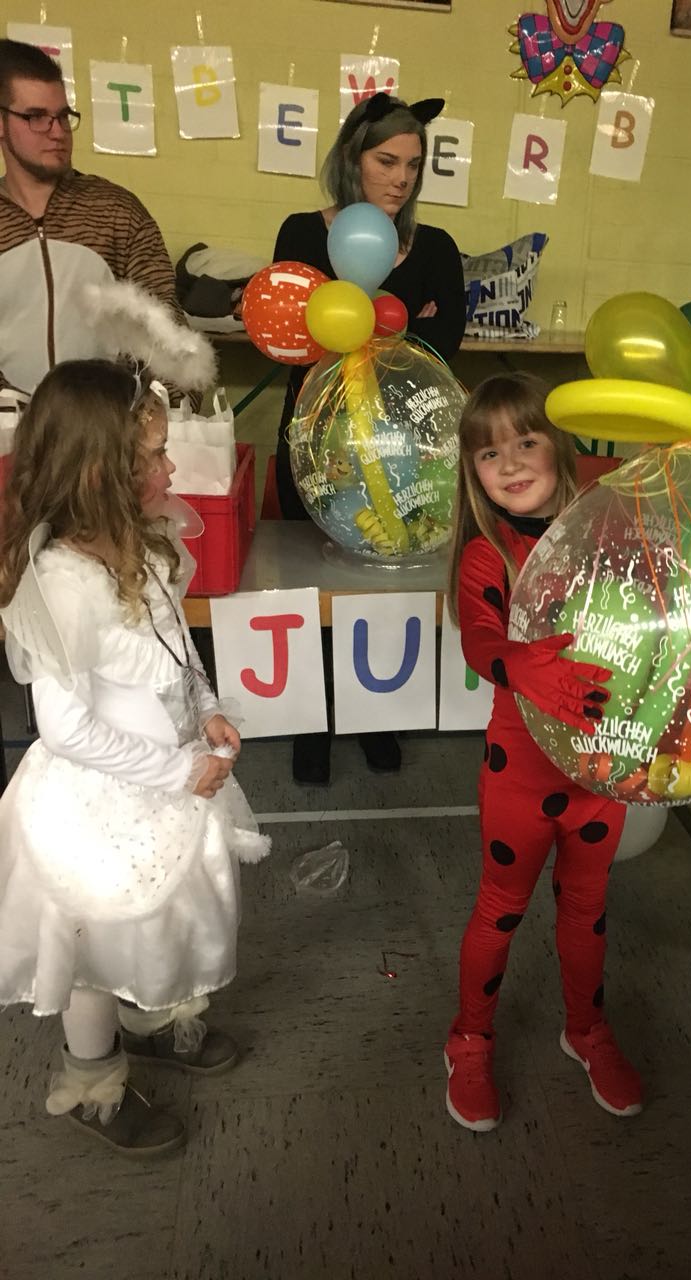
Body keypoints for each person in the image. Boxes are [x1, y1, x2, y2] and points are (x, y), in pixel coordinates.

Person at [0, 360, 269, 1155]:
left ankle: (149, 1021)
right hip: (100, 802)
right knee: (94, 948)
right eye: (154, 456)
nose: (172, 469)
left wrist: (208, 708)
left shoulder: (143, 544)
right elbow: (67, 729)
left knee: (157, 921)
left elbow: (177, 645)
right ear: (100, 474)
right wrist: (180, 771)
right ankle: (94, 1082)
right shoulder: (62, 584)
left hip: (168, 780)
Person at [442, 371, 644, 1132]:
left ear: (558, 446)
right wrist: (515, 662)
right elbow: (479, 636)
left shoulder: (602, 531)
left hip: (599, 765)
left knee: (588, 909)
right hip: (521, 772)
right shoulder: (486, 553)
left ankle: (586, 1029)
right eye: (490, 454)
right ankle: (468, 1039)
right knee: (501, 909)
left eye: (526, 442)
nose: (512, 464)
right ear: (474, 471)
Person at [272, 91, 466, 784]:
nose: (401, 178)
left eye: (414, 165)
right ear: (353, 160)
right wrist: (404, 318)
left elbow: (444, 344)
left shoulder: (435, 247)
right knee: (312, 584)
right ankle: (313, 724)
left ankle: (371, 715)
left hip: (407, 455)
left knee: (385, 585)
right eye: (387, 161)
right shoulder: (302, 233)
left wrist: (379, 328)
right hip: (318, 445)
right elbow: (295, 336)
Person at [0, 39, 198, 405]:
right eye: (37, 117)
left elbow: (165, 332)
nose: (57, 131)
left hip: (107, 427)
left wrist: (164, 410)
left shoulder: (117, 212)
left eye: (63, 116)